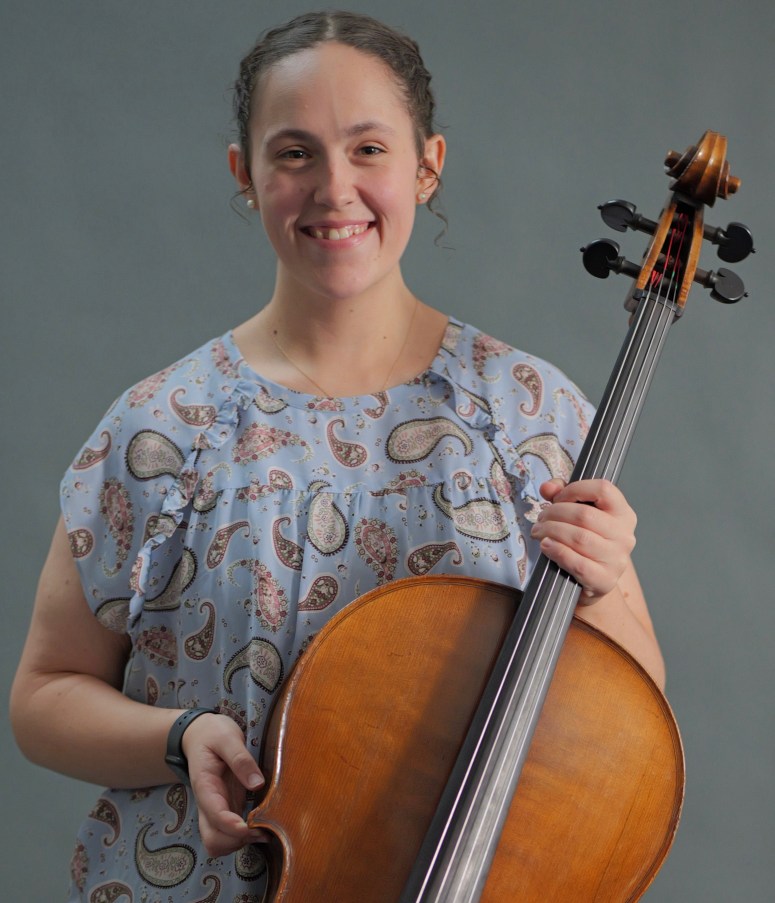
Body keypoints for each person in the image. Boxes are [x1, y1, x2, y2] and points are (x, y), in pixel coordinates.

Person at [10, 10, 664, 900]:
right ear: (245, 174)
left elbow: (625, 721)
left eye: (367, 149)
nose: (332, 187)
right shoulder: (162, 425)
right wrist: (180, 735)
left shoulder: (528, 413)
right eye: (294, 153)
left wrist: (602, 579)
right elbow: (44, 696)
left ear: (427, 165)